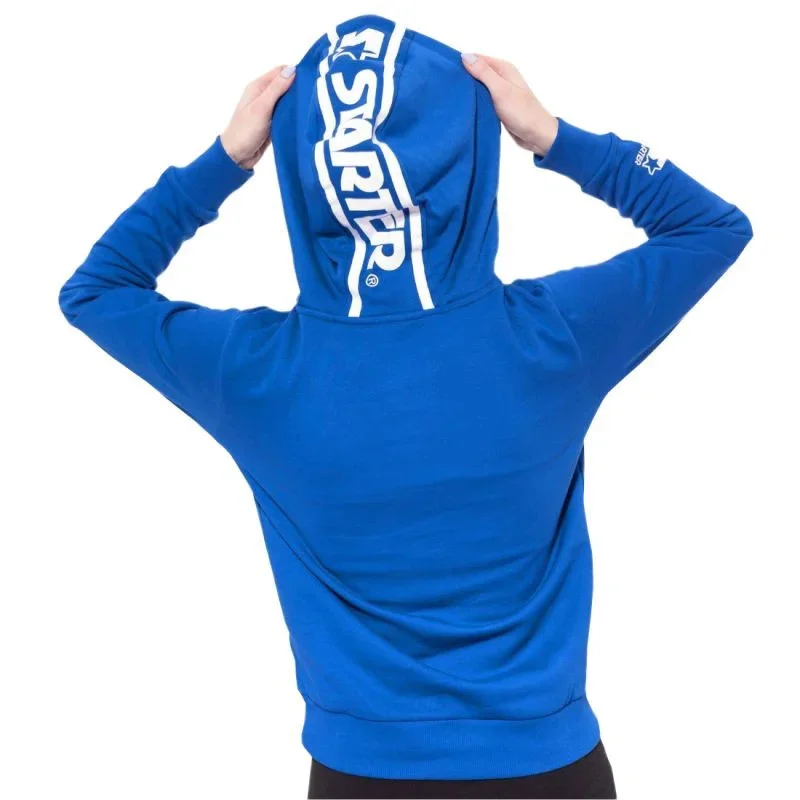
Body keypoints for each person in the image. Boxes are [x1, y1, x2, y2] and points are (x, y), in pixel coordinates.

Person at [58, 14, 752, 800]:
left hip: (362, 776)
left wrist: (222, 163)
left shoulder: (253, 373)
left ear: (299, 174)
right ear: (476, 158)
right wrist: (554, 136)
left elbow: (95, 292)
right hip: (550, 771)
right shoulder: (556, 336)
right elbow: (710, 227)